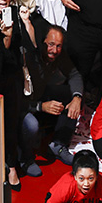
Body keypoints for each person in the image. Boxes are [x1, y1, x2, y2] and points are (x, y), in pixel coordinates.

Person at [0, 0, 38, 189]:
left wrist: (26, 21)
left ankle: (13, 165)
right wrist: (5, 34)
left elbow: (32, 44)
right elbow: (0, 53)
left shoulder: (15, 13)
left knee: (12, 122)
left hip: (14, 77)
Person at [20, 26, 84, 176]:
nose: (54, 50)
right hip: (21, 106)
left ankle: (58, 144)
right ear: (42, 42)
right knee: (31, 125)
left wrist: (77, 97)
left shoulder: (58, 56)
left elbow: (75, 74)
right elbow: (15, 101)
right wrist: (41, 107)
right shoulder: (29, 58)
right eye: (50, 44)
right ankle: (24, 157)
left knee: (70, 93)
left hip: (39, 97)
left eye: (59, 46)